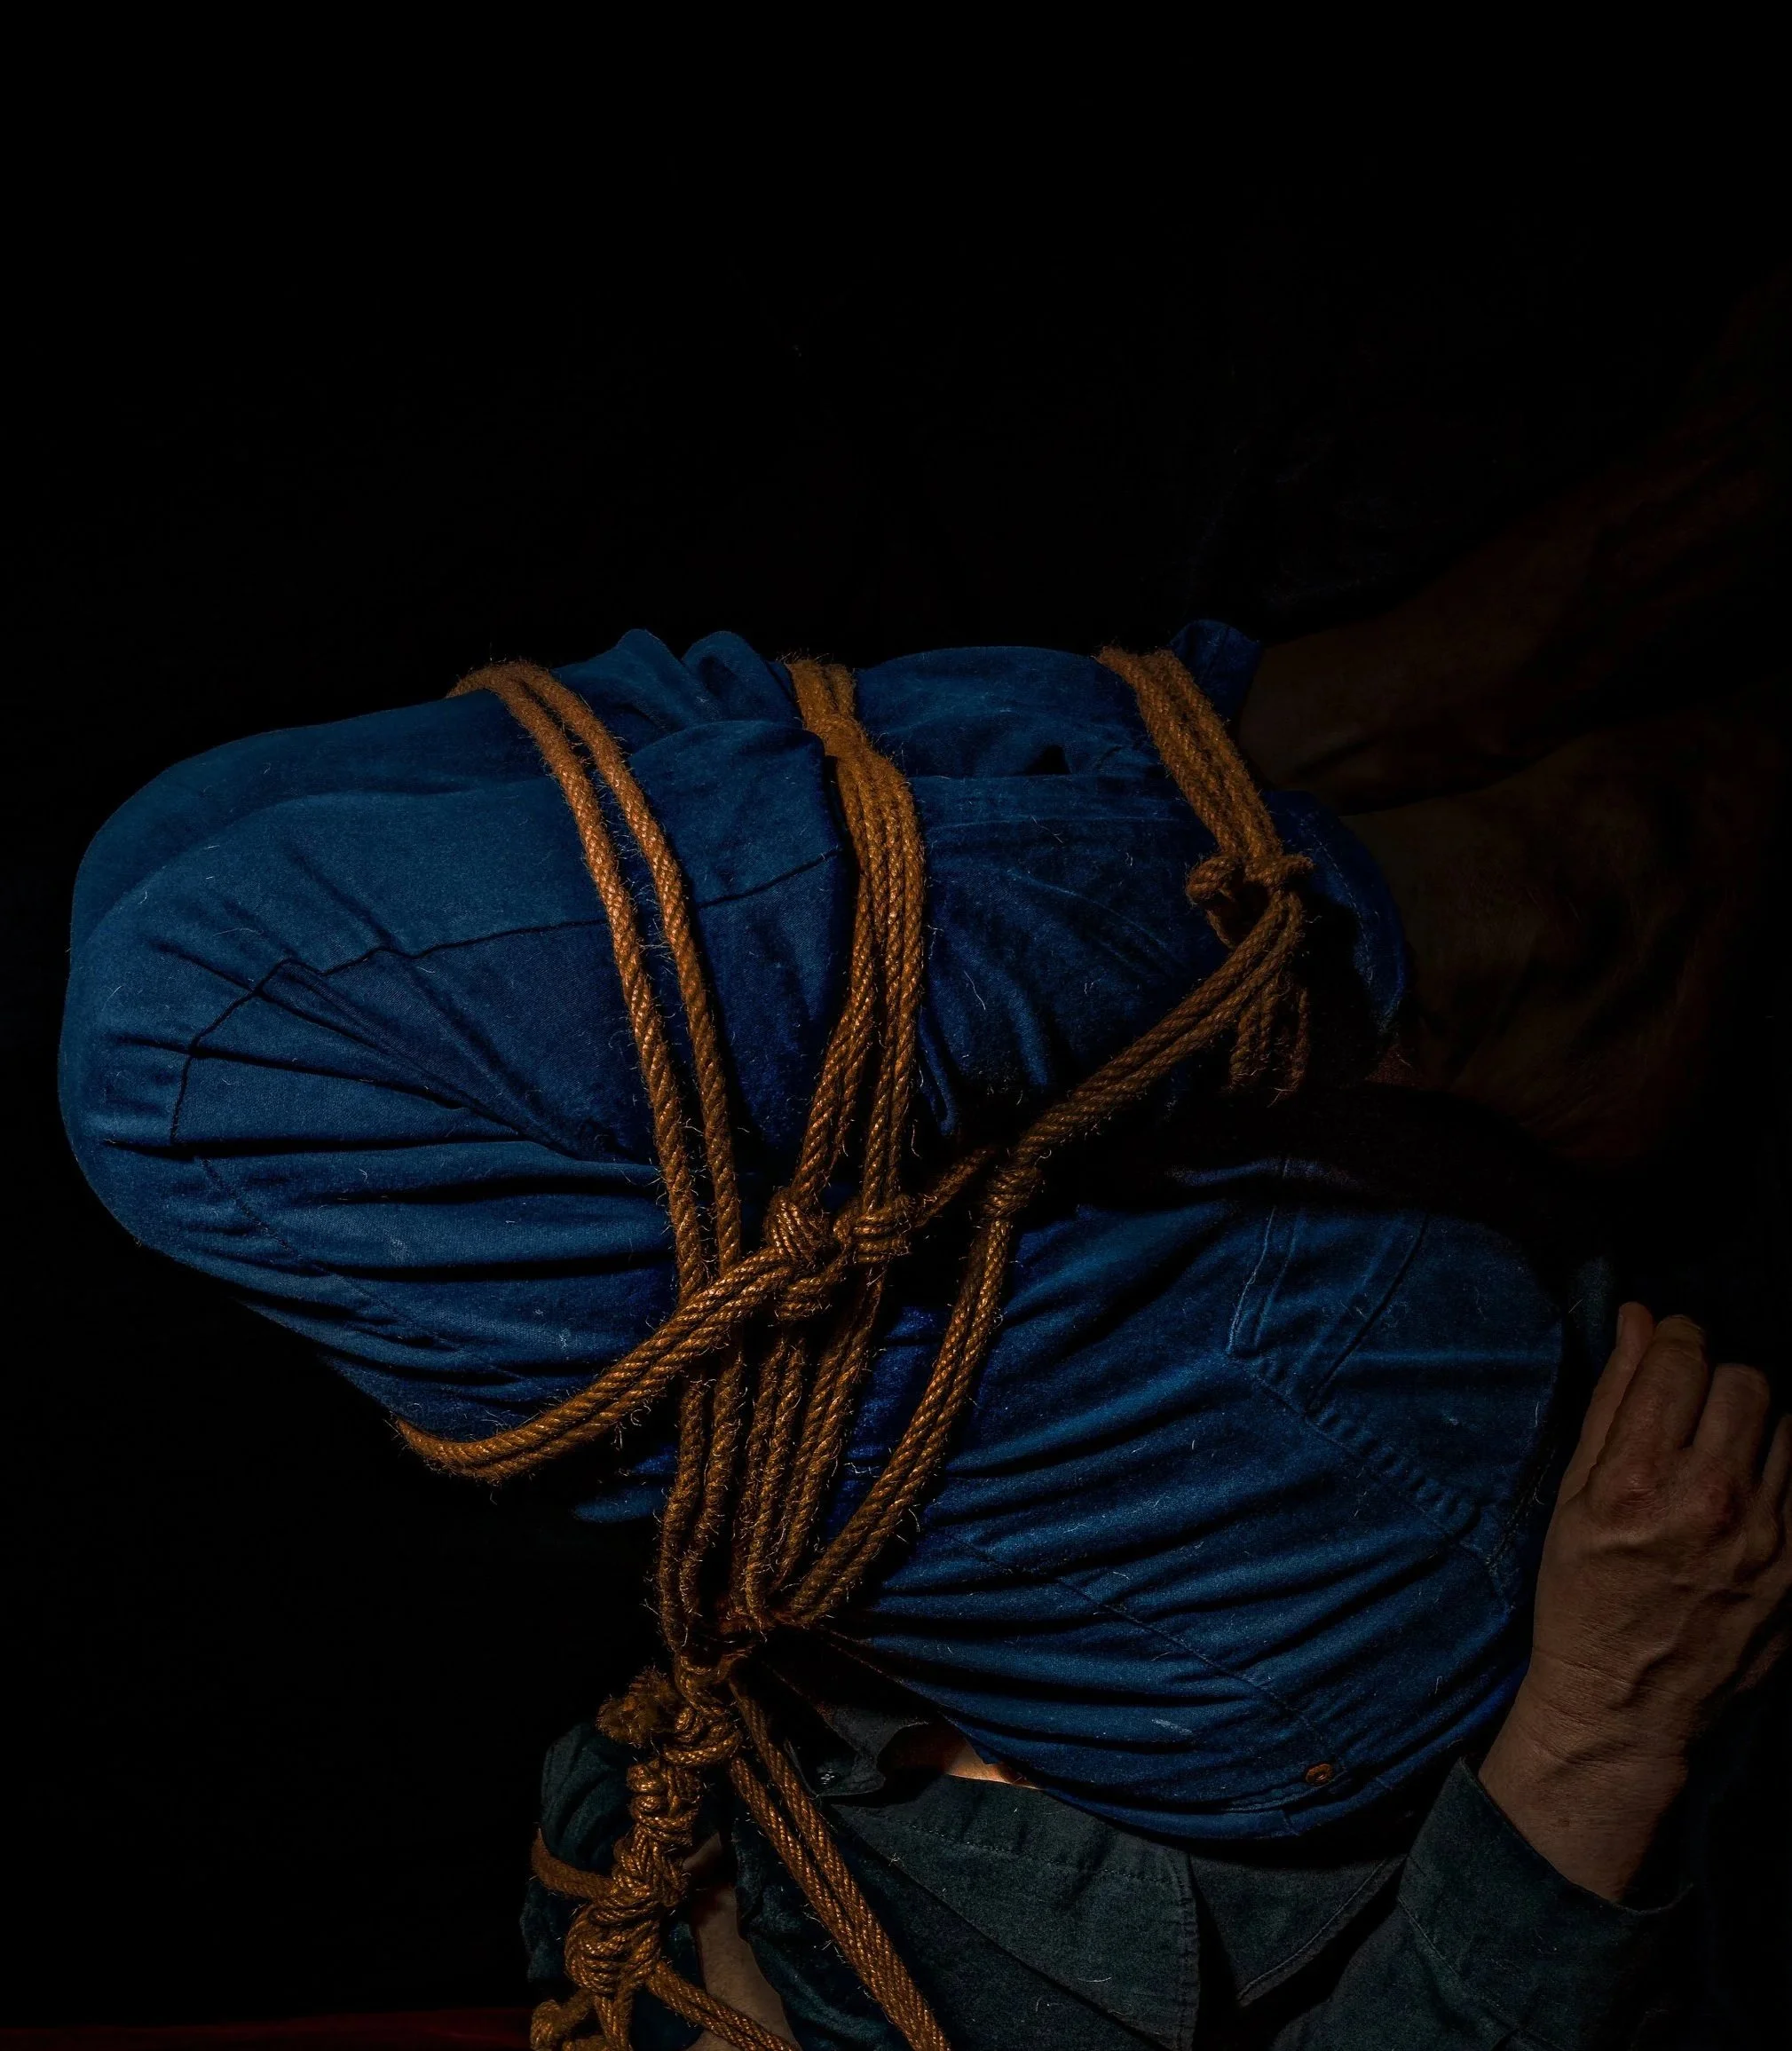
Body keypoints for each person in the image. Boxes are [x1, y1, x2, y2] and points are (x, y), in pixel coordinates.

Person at [58, 287, 1788, 2048]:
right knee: (205, 1032)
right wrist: (1602, 1736)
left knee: (180, 874)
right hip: (1301, 1677)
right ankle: (1446, 905)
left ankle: (1300, 782)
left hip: (968, 1657)